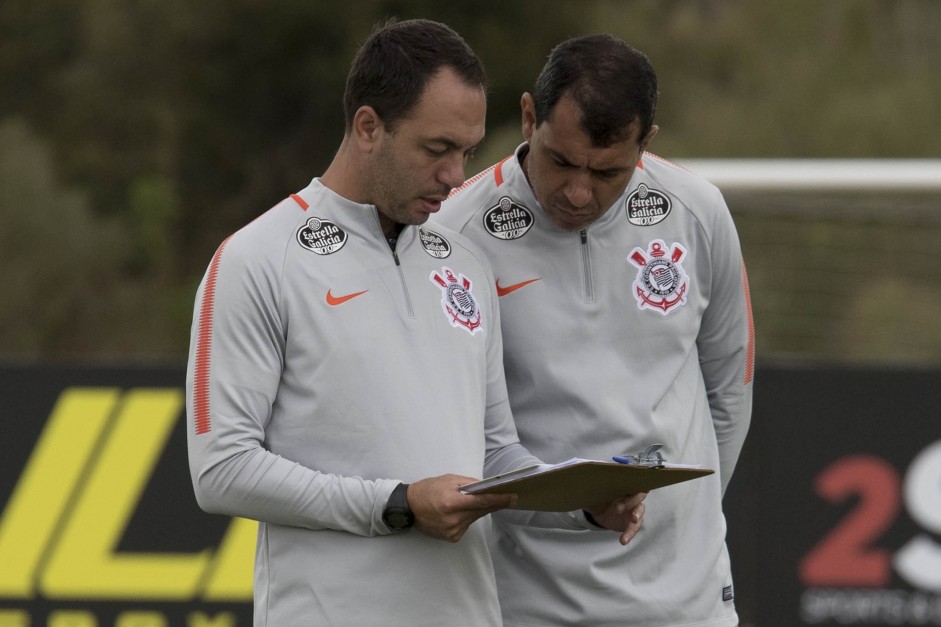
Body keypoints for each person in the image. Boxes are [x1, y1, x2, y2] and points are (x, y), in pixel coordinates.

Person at [185, 20, 646, 627]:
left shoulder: (466, 264)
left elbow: (495, 454)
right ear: (369, 126)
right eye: (437, 149)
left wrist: (582, 503)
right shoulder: (257, 259)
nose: (456, 176)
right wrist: (397, 504)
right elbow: (222, 471)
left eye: (468, 152)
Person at [436, 34, 755, 627]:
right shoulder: (454, 234)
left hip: (686, 600)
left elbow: (729, 393)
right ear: (529, 117)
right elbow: (458, 432)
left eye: (608, 172)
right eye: (561, 161)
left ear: (645, 145)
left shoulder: (699, 211)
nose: (580, 192)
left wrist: (682, 520)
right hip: (524, 599)